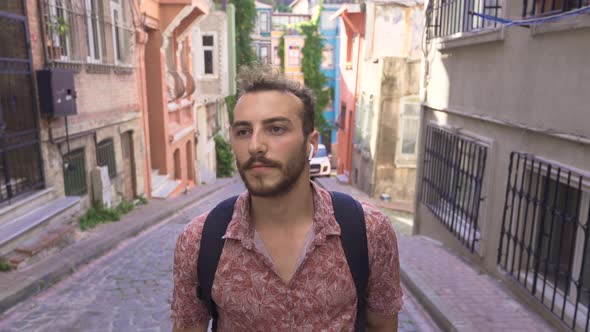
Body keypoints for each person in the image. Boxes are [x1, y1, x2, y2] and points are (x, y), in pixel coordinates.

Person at [171, 65, 403, 331]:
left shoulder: (369, 231)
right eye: (243, 131)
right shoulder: (199, 241)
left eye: (276, 129)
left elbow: (382, 325)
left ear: (310, 143)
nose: (255, 145)